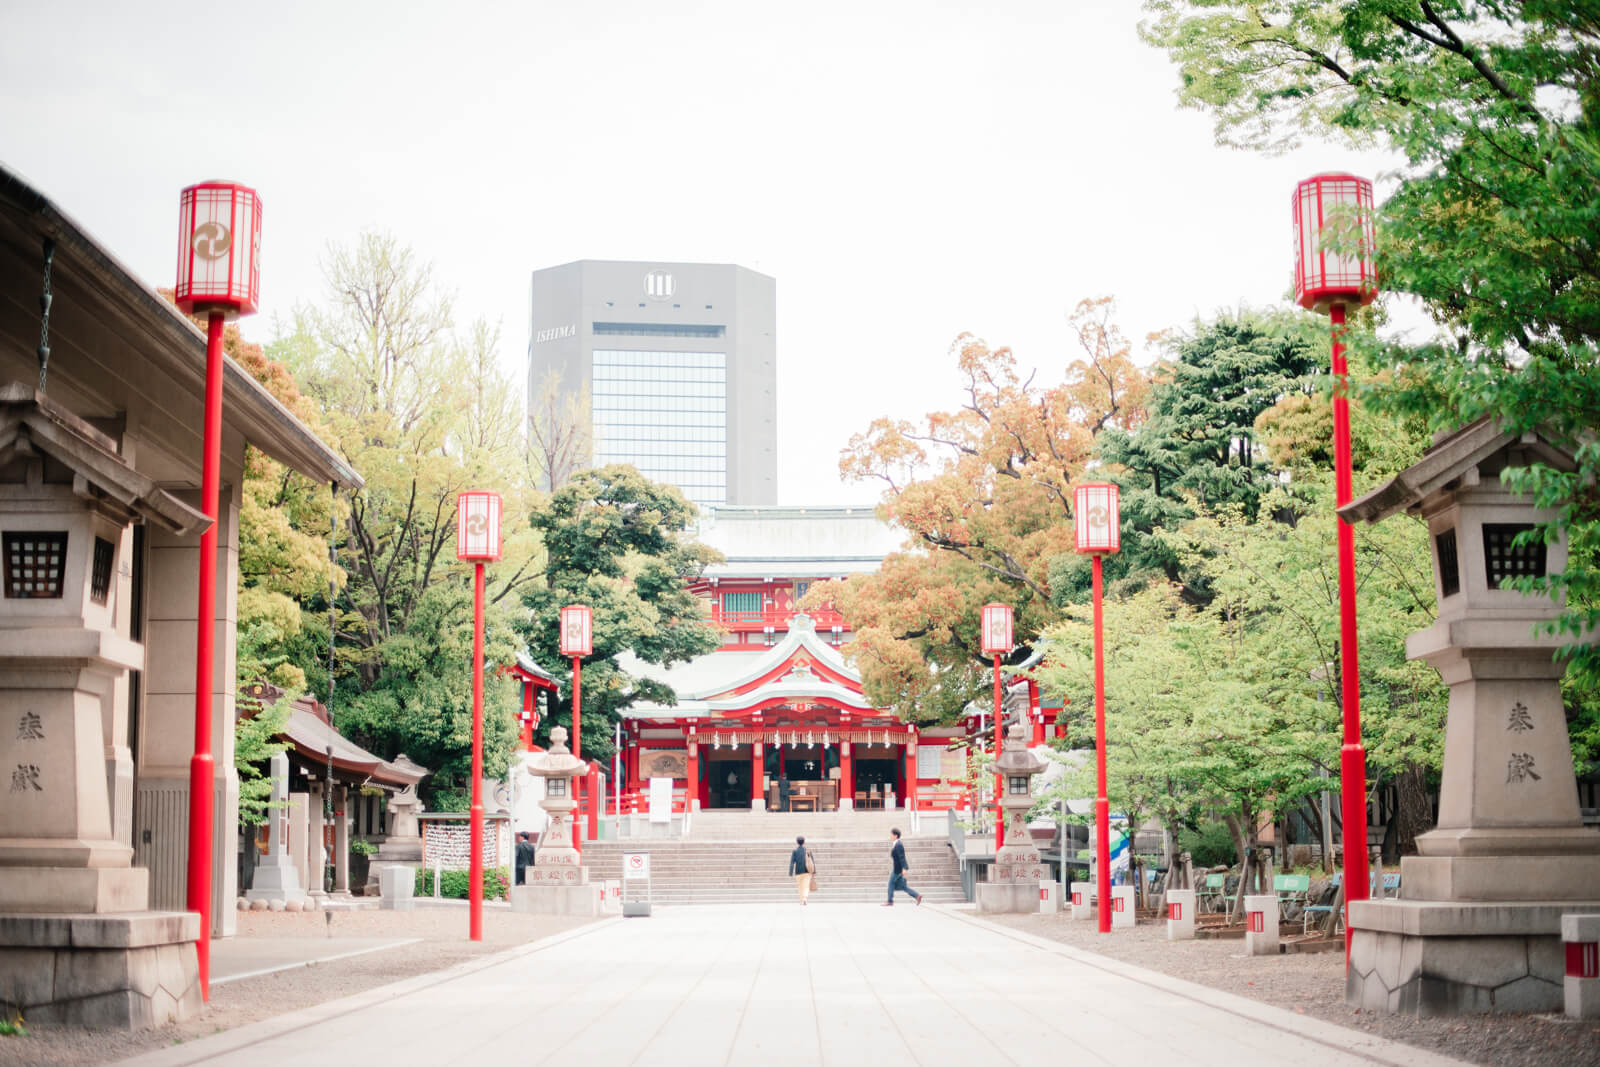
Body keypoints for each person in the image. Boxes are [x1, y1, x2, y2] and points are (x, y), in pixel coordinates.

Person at [883, 827, 922, 906]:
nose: (890, 836)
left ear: (896, 836)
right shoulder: (896, 844)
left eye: (891, 834)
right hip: (898, 868)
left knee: (891, 884)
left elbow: (902, 857)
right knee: (903, 886)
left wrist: (904, 868)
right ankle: (917, 896)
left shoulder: (898, 845)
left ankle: (890, 901)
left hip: (897, 870)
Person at [789, 834, 814, 905]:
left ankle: (801, 900)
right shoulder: (808, 851)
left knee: (800, 886)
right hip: (807, 871)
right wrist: (814, 871)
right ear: (804, 842)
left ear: (797, 842)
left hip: (798, 871)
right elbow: (812, 861)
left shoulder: (795, 851)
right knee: (806, 886)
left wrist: (790, 872)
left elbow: (792, 862)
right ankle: (805, 899)